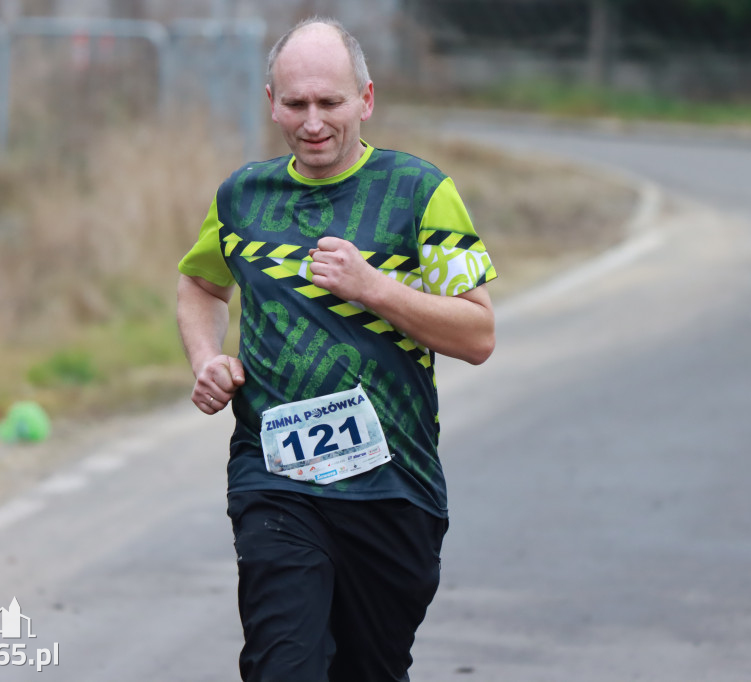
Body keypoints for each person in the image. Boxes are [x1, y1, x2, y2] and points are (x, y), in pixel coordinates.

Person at [175, 16, 496, 682]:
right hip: (275, 481)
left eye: (330, 103)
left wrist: (375, 288)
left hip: (392, 487)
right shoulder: (242, 198)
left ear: (366, 101)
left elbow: (478, 334)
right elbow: (200, 285)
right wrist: (207, 358)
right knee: (283, 664)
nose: (313, 122)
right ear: (271, 103)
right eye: (296, 104)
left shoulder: (419, 193)